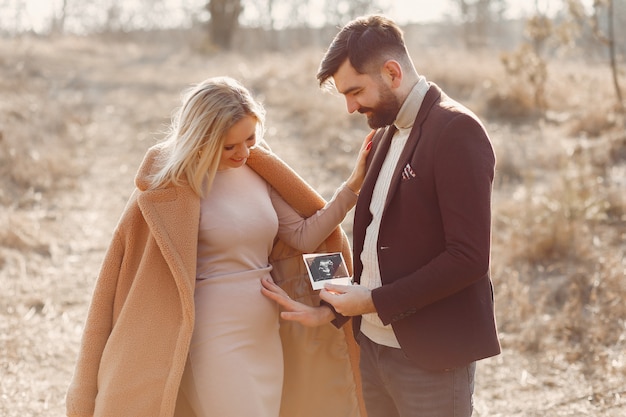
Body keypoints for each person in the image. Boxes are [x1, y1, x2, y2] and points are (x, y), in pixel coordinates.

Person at [65, 76, 373, 417]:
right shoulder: (167, 190)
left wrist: (352, 187)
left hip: (266, 334)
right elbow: (118, 279)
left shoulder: (260, 171)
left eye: (251, 139)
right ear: (203, 139)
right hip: (213, 338)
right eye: (230, 147)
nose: (243, 152)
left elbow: (304, 238)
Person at [261, 14, 501, 417]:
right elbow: (379, 240)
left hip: (431, 357)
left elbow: (469, 258)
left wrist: (371, 300)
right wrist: (335, 306)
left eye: (355, 91)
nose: (351, 107)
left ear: (392, 72)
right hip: (372, 348)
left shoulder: (457, 130)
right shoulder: (385, 131)